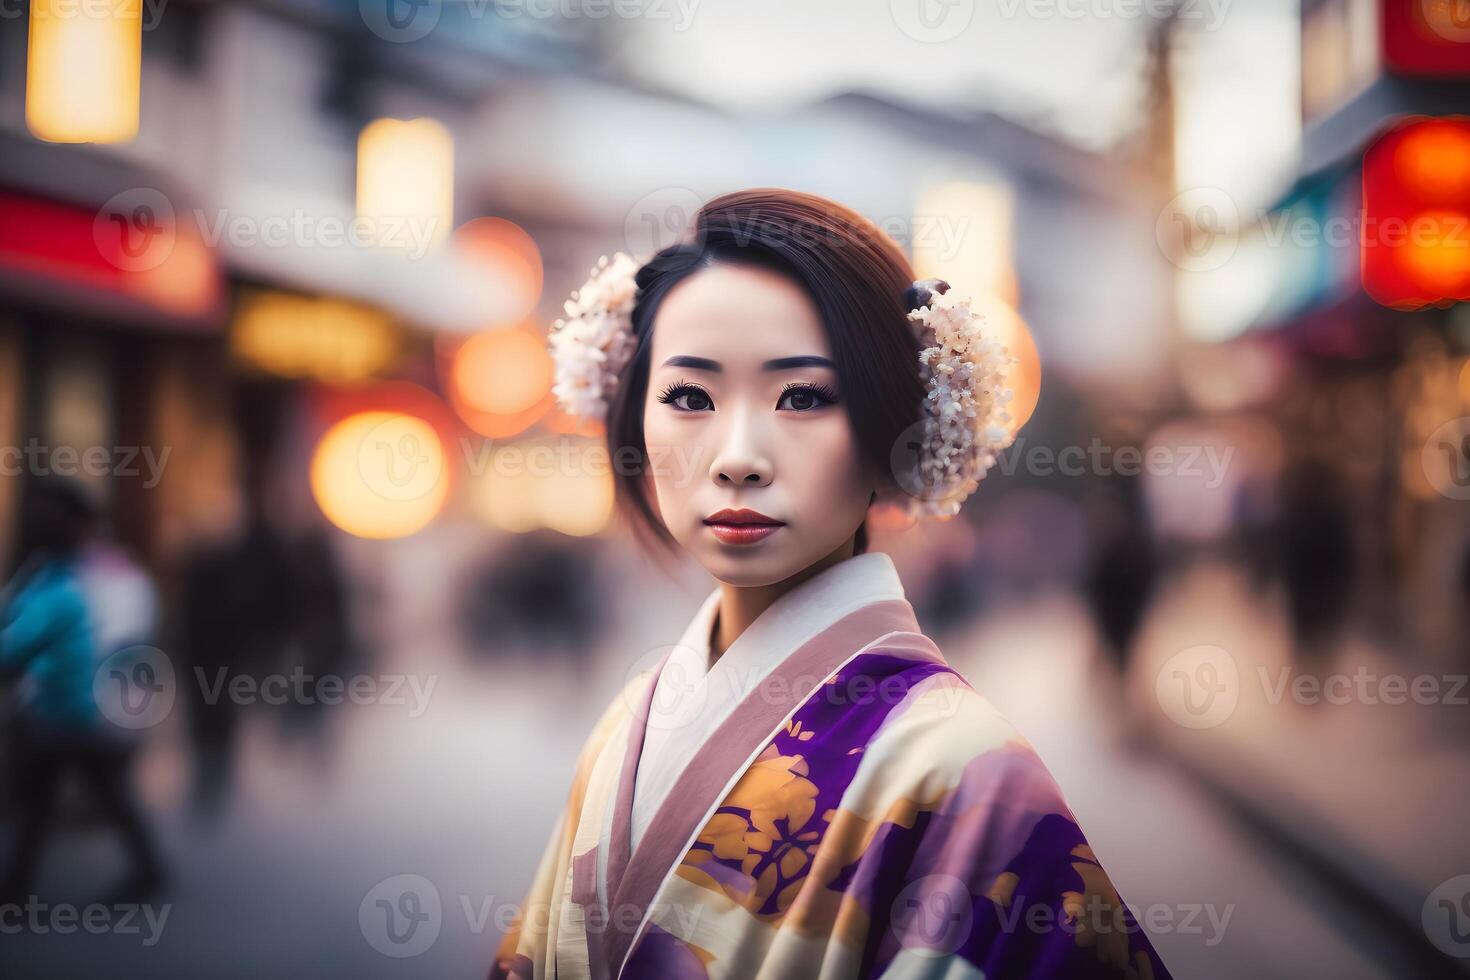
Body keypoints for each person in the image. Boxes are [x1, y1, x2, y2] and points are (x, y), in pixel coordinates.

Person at [488, 191, 1174, 979]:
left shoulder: (968, 772)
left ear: (894, 430)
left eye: (803, 397)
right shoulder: (628, 720)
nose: (738, 455)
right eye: (688, 396)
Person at [0, 477, 165, 902]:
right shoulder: (70, 574)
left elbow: (17, 644)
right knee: (84, 798)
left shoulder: (64, 580)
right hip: (81, 711)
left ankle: (18, 890)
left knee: (55, 800)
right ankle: (147, 872)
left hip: (70, 712)